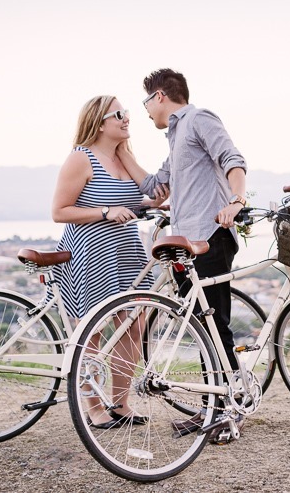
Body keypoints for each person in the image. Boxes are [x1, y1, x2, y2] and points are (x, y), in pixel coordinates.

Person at [117, 68, 247, 437]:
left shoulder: (199, 118)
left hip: (210, 236)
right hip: (184, 244)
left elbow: (233, 160)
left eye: (145, 101)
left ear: (159, 96)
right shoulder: (175, 138)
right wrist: (122, 151)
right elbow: (157, 189)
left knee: (214, 323)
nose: (143, 111)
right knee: (202, 327)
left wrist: (236, 201)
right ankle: (213, 409)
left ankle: (227, 412)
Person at [51, 95, 166, 429]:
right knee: (94, 331)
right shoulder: (81, 158)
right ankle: (93, 408)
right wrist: (104, 213)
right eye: (120, 114)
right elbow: (59, 211)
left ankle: (120, 402)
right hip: (91, 252)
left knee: (134, 325)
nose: (127, 118)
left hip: (126, 251)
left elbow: (153, 193)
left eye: (127, 112)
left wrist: (156, 203)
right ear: (99, 122)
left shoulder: (123, 156)